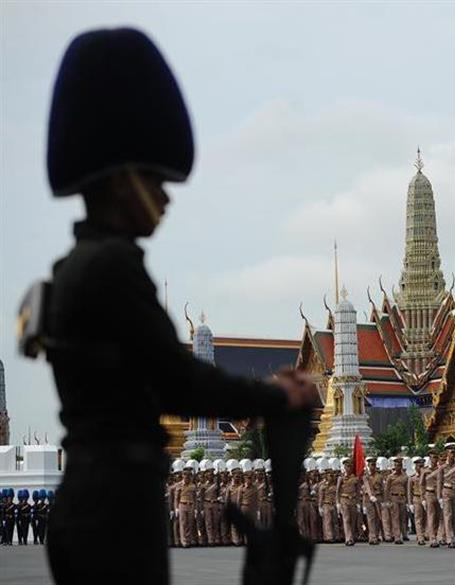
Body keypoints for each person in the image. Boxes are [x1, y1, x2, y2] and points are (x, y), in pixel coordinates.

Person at [38, 27, 319, 585]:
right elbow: (177, 382)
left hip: (95, 497)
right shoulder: (111, 269)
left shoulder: (76, 268)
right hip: (115, 505)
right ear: (122, 183)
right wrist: (273, 395)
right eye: (155, 181)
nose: (166, 198)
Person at [440, 446, 455, 548]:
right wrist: (439, 496)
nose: (452, 455)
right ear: (447, 454)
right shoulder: (442, 467)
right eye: (450, 452)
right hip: (447, 491)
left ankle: (451, 536)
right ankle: (450, 538)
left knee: (454, 516)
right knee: (448, 515)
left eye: (454, 452)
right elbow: (439, 482)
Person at [385, 457, 409, 544]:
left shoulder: (405, 477)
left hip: (402, 497)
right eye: (396, 465)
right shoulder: (390, 477)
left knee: (403, 517)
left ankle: (404, 534)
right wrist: (387, 501)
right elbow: (386, 490)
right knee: (395, 517)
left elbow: (407, 489)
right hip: (394, 497)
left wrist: (408, 501)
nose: (398, 467)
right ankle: (397, 537)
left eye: (399, 465)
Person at [337, 459, 361, 546]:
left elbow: (358, 491)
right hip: (344, 500)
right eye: (347, 466)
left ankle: (352, 536)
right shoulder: (341, 478)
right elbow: (338, 491)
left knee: (353, 520)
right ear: (344, 467)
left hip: (353, 500)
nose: (348, 468)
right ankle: (348, 538)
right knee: (346, 519)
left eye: (350, 466)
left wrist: (358, 503)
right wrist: (338, 503)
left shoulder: (355, 478)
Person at [407, 457, 427, 545]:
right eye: (419, 466)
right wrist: (410, 503)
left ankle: (425, 534)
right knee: (418, 518)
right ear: (416, 467)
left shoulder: (427, 476)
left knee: (426, 518)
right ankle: (420, 537)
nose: (421, 468)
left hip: (426, 498)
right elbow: (409, 491)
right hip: (417, 498)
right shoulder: (412, 478)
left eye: (422, 466)